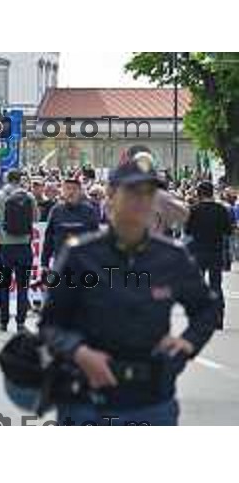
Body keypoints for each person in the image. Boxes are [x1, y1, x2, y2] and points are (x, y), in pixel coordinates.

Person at [40, 153, 218, 426]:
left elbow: (206, 309)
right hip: (88, 400)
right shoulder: (80, 255)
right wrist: (79, 352)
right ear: (111, 195)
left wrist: (186, 344)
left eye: (149, 193)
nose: (141, 200)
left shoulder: (171, 257)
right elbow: (50, 324)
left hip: (152, 399)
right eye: (132, 191)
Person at [0, 169, 36, 332]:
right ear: (20, 179)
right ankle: (21, 322)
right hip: (24, 245)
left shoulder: (0, 196)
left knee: (3, 285)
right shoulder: (29, 197)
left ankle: (3, 322)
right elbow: (35, 217)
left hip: (5, 246)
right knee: (23, 286)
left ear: (7, 179)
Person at [185, 180, 233, 330]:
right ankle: (218, 316)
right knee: (216, 285)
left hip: (198, 251)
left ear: (199, 194)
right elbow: (228, 231)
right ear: (212, 192)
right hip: (216, 251)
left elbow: (187, 231)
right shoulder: (221, 209)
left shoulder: (194, 210)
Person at [41, 177, 100, 269]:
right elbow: (48, 239)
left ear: (80, 191)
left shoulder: (89, 211)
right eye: (68, 188)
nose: (71, 192)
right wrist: (44, 263)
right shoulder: (56, 210)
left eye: (74, 189)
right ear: (62, 191)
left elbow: (96, 239)